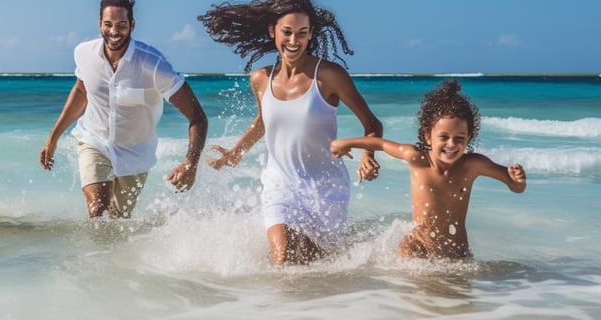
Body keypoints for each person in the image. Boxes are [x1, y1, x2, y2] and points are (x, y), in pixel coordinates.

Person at [199, 0, 384, 265]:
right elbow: (264, 121)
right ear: (272, 31)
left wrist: (368, 155)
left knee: (317, 264)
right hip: (280, 183)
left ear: (310, 34)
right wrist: (235, 153)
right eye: (287, 32)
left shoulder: (329, 76)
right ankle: (272, 306)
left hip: (325, 186)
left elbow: (372, 123)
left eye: (302, 33)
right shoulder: (261, 78)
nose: (294, 41)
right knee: (283, 258)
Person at [39, 0, 208, 219]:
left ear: (132, 24)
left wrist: (190, 163)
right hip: (95, 141)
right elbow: (82, 91)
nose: (114, 31)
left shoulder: (154, 65)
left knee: (118, 221)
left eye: (121, 25)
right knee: (97, 211)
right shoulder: (84, 53)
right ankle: (91, 253)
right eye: (108, 24)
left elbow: (197, 117)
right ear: (100, 23)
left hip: (135, 155)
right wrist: (53, 138)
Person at [330, 80, 527, 260]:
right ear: (428, 137)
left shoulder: (472, 165)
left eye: (459, 138)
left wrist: (517, 181)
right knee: (416, 289)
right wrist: (346, 143)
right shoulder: (416, 158)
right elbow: (380, 144)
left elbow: (514, 186)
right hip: (418, 246)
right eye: (444, 137)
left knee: (459, 297)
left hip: (455, 252)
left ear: (469, 137)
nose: (451, 144)